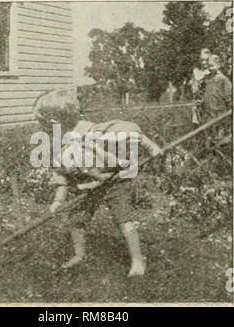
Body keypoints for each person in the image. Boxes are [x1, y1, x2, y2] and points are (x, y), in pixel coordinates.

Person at [34, 89, 163, 277]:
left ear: (55, 122)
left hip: (115, 180)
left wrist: (151, 147)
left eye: (44, 126)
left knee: (123, 219)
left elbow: (128, 133)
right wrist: (58, 201)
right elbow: (61, 177)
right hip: (89, 186)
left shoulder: (92, 131)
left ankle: (137, 260)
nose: (44, 131)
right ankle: (79, 255)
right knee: (77, 220)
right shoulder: (60, 148)